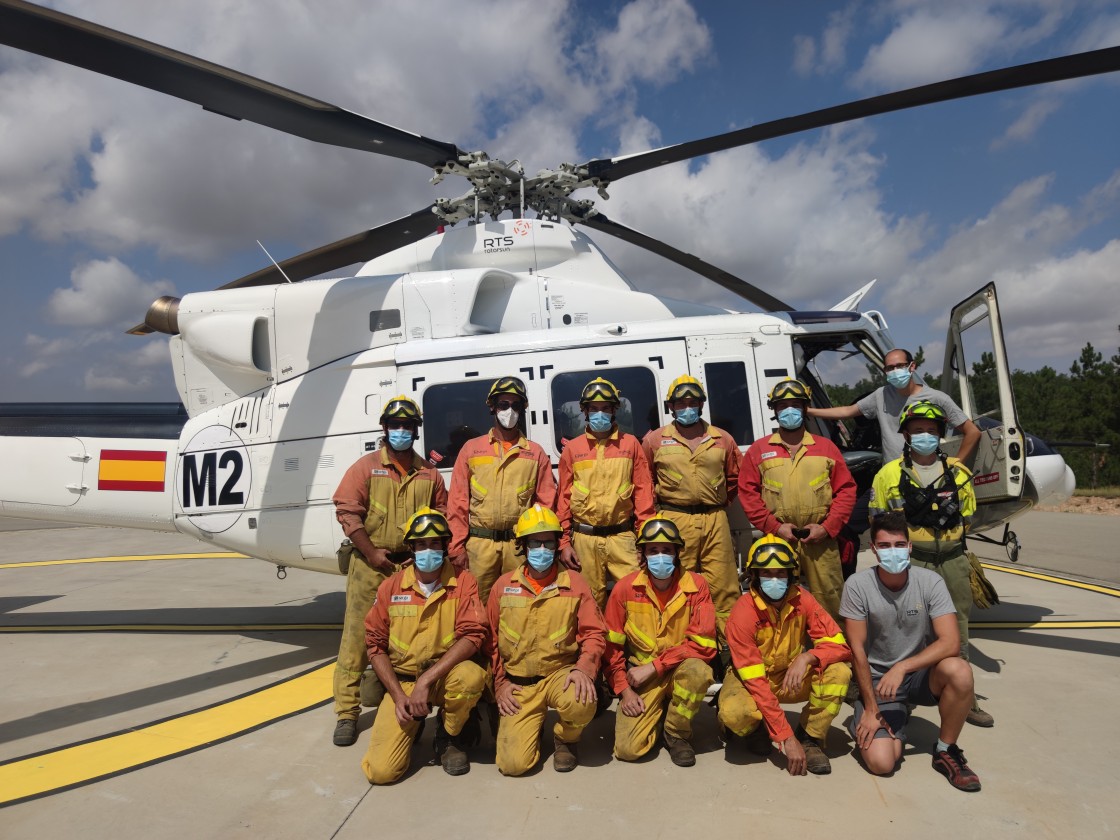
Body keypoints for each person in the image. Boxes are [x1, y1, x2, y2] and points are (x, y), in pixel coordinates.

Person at [330, 395, 448, 747]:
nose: (401, 431)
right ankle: (347, 713)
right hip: (369, 566)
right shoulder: (365, 468)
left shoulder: (430, 474)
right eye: (395, 426)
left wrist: (424, 558)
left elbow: (441, 520)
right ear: (384, 429)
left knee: (414, 636)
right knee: (357, 639)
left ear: (416, 431)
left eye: (407, 427)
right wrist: (371, 552)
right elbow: (347, 512)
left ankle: (406, 694)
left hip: (414, 567)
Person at [869, 400, 993, 727]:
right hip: (914, 562)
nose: (925, 436)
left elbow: (967, 516)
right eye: (918, 430)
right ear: (906, 434)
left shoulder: (958, 472)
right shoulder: (888, 475)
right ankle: (904, 694)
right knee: (908, 628)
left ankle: (965, 695)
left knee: (958, 629)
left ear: (940, 434)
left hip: (952, 560)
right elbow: (878, 519)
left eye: (932, 431)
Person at [840, 510, 981, 792]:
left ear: (909, 547)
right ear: (874, 550)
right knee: (882, 764)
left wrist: (903, 667)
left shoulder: (930, 583)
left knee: (960, 671)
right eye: (884, 546)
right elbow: (857, 651)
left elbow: (951, 642)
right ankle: (883, 713)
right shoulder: (857, 586)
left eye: (899, 545)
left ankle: (945, 750)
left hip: (917, 676)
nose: (893, 552)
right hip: (878, 683)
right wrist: (870, 709)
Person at [360, 508, 488, 784]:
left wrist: (427, 681)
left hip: (444, 677)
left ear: (444, 546)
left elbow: (473, 635)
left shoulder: (464, 582)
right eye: (421, 544)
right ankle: (414, 722)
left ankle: (449, 735)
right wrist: (397, 696)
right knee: (381, 773)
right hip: (403, 683)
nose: (427, 550)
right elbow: (375, 646)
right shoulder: (391, 587)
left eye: (434, 543)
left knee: (471, 677)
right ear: (411, 548)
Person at [718, 535, 852, 775]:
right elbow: (757, 684)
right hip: (749, 682)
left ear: (791, 574)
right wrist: (785, 738)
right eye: (766, 574)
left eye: (780, 574)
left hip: (789, 677)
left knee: (839, 673)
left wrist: (807, 657)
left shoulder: (804, 600)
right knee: (734, 712)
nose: (774, 580)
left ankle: (810, 736)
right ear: (754, 576)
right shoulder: (743, 614)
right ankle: (755, 729)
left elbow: (840, 645)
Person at [487, 505, 607, 775]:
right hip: (518, 684)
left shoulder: (575, 583)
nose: (542, 549)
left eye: (548, 542)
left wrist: (584, 670)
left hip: (559, 676)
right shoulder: (502, 586)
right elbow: (490, 642)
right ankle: (531, 722)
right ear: (523, 546)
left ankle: (566, 739)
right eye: (535, 542)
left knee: (582, 700)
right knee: (514, 766)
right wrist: (500, 684)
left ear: (556, 545)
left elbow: (594, 633)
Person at [737, 378, 856, 622]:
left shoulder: (827, 448)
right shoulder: (759, 450)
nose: (789, 410)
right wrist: (775, 527)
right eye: (782, 406)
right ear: (775, 411)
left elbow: (846, 491)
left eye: (795, 404)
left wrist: (827, 528)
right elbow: (747, 494)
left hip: (820, 541)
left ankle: (837, 654)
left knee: (830, 602)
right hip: (778, 539)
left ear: (804, 408)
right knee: (776, 601)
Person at [604, 516, 717, 767]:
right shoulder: (624, 589)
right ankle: (659, 710)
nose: (660, 556)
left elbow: (704, 645)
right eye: (653, 550)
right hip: (641, 679)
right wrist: (625, 691)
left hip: (678, 669)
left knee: (699, 672)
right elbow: (610, 650)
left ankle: (676, 732)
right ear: (642, 553)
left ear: (677, 552)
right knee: (628, 750)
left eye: (667, 550)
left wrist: (655, 667)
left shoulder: (697, 586)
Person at [642, 375, 741, 639]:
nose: (688, 408)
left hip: (715, 519)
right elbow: (646, 481)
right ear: (671, 407)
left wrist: (717, 503)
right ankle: (680, 645)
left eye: (693, 402)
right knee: (675, 584)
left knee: (725, 587)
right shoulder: (654, 441)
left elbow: (734, 478)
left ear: (701, 405)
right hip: (674, 520)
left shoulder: (722, 439)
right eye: (681, 403)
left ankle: (727, 649)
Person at [447, 376, 557, 604]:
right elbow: (457, 503)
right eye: (504, 405)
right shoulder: (471, 449)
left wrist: (539, 546)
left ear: (523, 409)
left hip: (518, 547)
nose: (510, 411)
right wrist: (456, 546)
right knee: (475, 604)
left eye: (516, 405)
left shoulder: (535, 453)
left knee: (519, 603)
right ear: (492, 407)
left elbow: (546, 504)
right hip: (479, 546)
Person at [557, 376, 656, 608]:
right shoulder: (572, 449)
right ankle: (596, 645)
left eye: (605, 408)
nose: (599, 414)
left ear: (614, 411)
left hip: (622, 538)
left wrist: (645, 541)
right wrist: (563, 544)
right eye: (594, 409)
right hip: (584, 540)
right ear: (585, 411)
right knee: (587, 603)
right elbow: (563, 499)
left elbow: (644, 497)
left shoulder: (631, 444)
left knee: (637, 597)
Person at [808, 348, 982, 467]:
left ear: (912, 366)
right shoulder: (881, 395)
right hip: (893, 473)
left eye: (900, 366)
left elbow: (972, 432)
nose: (895, 371)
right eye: (890, 368)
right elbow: (847, 411)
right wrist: (808, 411)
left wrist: (956, 464)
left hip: (927, 472)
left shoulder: (937, 398)